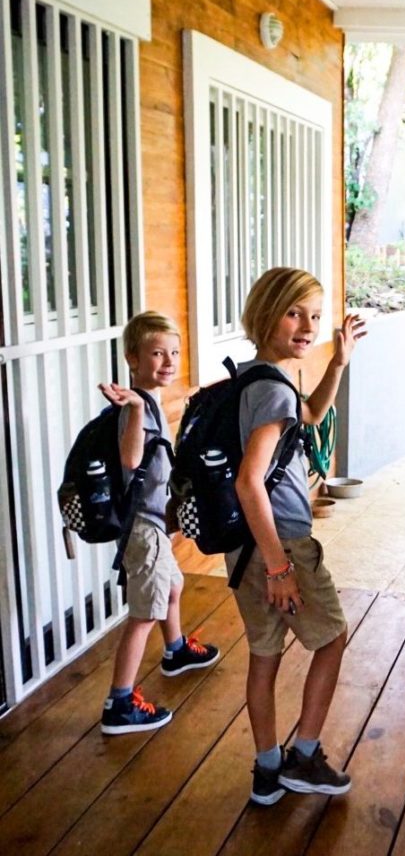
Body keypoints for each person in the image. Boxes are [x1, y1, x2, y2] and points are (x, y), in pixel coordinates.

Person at [230, 267, 365, 806]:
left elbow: (310, 414)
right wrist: (281, 567)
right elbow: (249, 482)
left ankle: (268, 770)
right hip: (279, 545)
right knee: (331, 637)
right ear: (266, 314)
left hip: (244, 550)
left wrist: (337, 361)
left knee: (265, 657)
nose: (307, 325)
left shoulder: (255, 377)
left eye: (314, 315)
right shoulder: (273, 393)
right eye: (294, 313)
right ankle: (304, 756)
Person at [98, 311, 220, 735]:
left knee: (172, 586)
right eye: (156, 353)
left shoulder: (150, 401)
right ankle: (119, 703)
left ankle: (176, 650)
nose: (168, 362)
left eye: (174, 352)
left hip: (153, 522)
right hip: (141, 529)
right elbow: (131, 461)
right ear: (133, 359)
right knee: (144, 613)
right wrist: (132, 409)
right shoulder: (135, 407)